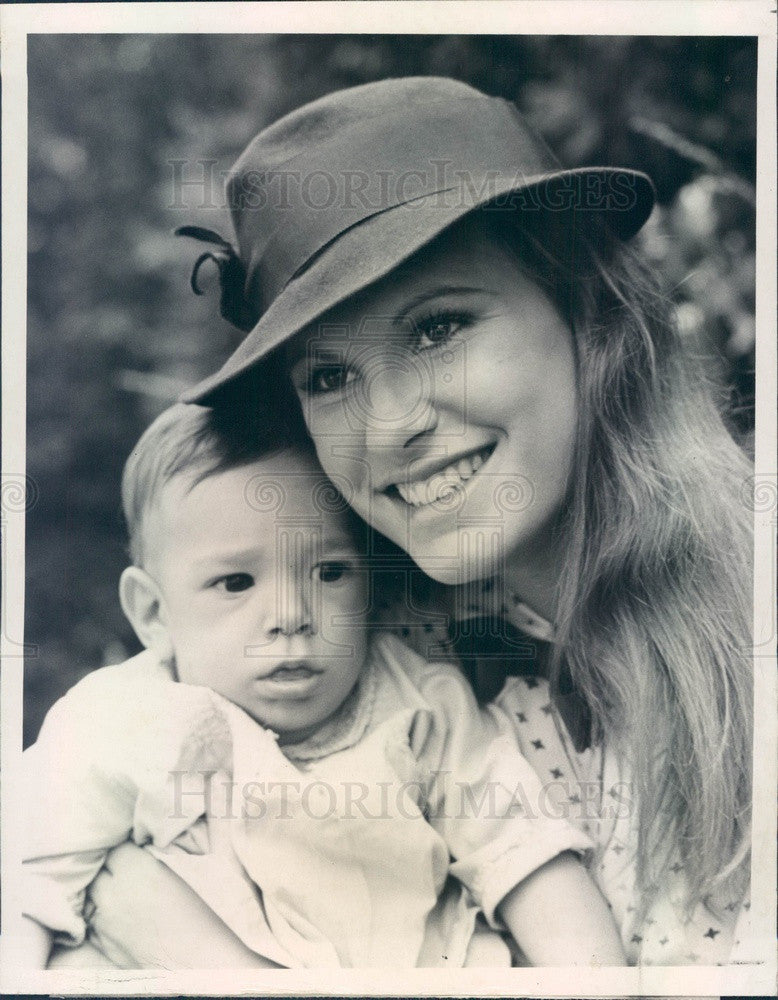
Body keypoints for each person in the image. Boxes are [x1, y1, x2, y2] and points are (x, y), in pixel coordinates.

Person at [60, 76, 753, 968]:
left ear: (587, 318)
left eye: (437, 329)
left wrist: (210, 966)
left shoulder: (748, 638)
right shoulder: (327, 685)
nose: (391, 425)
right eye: (330, 378)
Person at [22, 402, 626, 969]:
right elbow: (26, 877)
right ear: (153, 614)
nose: (291, 613)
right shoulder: (121, 722)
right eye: (235, 582)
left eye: (330, 572)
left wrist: (592, 979)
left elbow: (526, 857)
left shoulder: (421, 705)